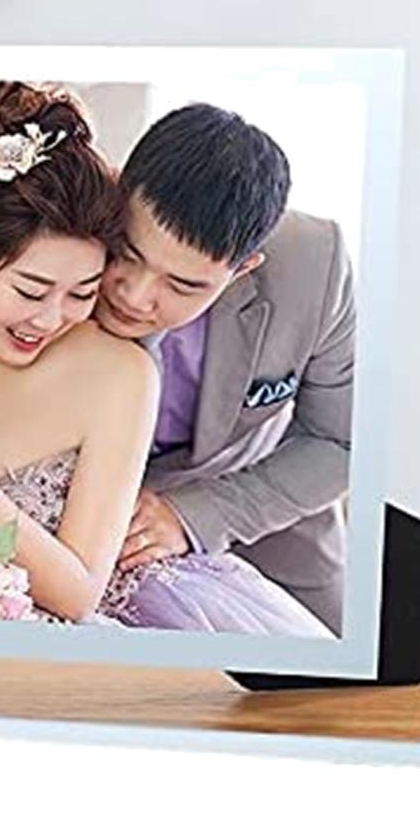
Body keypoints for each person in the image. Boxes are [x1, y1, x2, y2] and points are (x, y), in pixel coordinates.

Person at [0, 82, 330, 635]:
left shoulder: (120, 373)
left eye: (82, 293)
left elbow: (78, 593)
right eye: (30, 290)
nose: (51, 319)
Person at [95, 103, 354, 633]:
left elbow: (344, 442)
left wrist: (196, 514)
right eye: (126, 253)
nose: (134, 296)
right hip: (94, 531)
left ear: (243, 269)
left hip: (270, 516)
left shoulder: (315, 264)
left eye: (183, 284)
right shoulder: (65, 221)